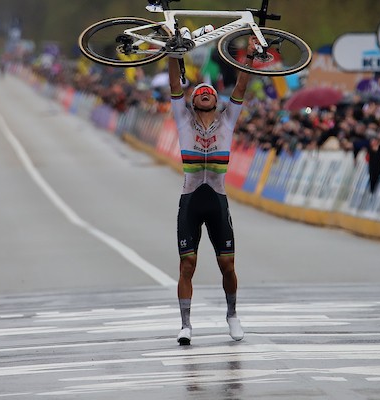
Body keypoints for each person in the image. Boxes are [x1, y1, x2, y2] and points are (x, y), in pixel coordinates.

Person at [168, 37, 257, 345]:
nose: (205, 93)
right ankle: (186, 325)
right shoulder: (183, 120)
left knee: (227, 264)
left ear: (217, 101)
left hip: (217, 199)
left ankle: (232, 314)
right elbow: (174, 87)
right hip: (191, 200)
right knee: (187, 264)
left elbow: (241, 90)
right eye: (200, 92)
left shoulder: (227, 122)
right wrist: (172, 54)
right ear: (193, 102)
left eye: (210, 92)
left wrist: (248, 61)